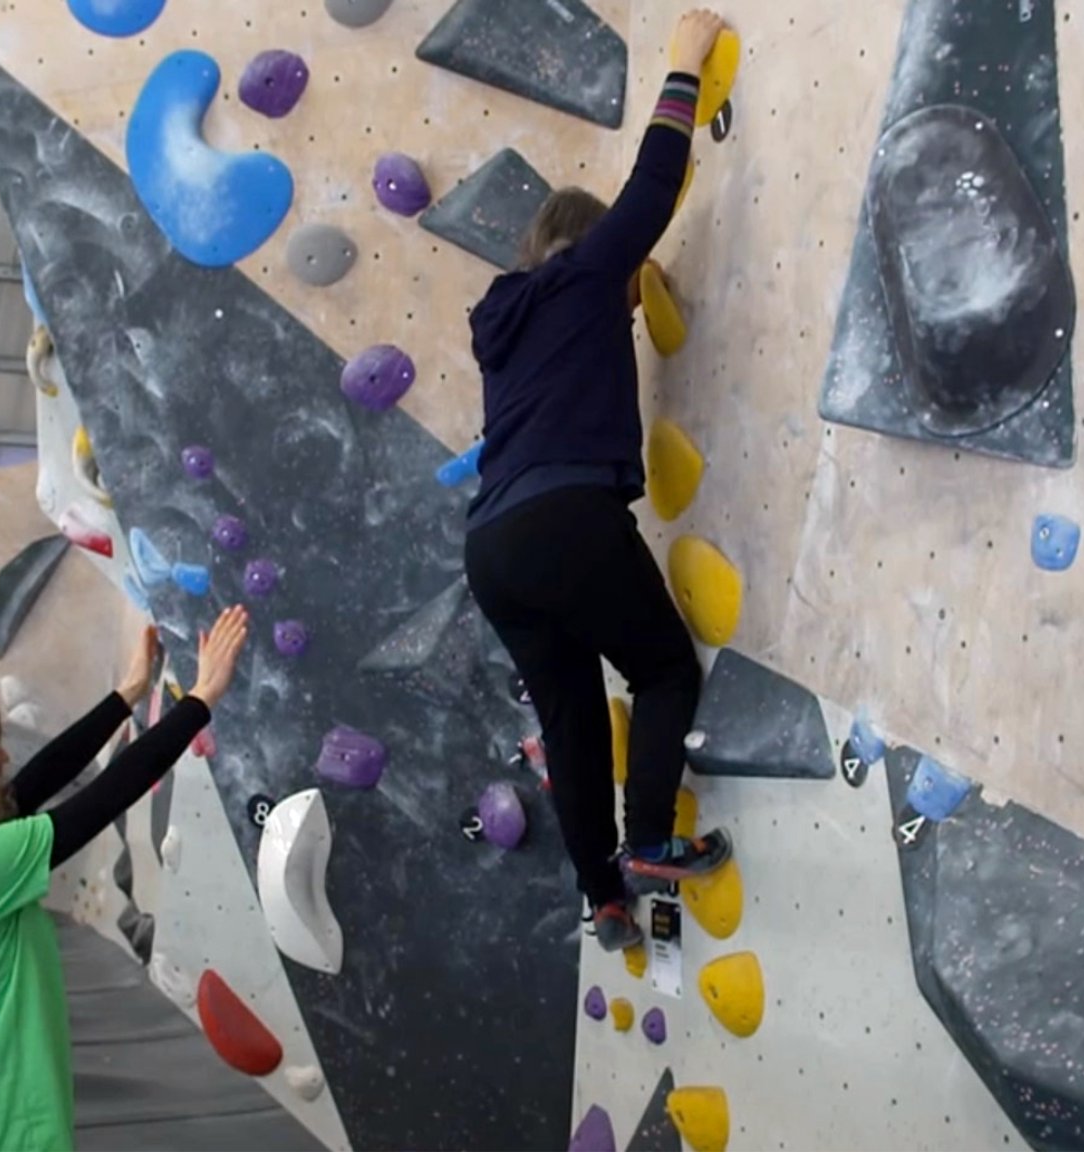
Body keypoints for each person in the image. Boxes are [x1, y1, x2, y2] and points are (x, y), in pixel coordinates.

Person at [462, 9, 735, 953]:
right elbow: (654, 186)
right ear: (594, 249)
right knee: (662, 669)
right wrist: (684, 65)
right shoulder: (585, 278)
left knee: (572, 719)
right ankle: (650, 841)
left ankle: (604, 898)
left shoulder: (508, 324)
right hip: (564, 517)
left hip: (493, 547)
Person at [0, 606, 249, 1152]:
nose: (3, 755)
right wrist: (202, 698)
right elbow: (106, 796)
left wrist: (127, 693)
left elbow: (34, 783)